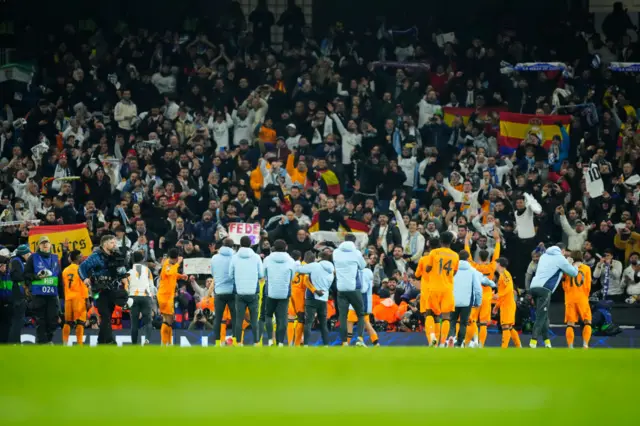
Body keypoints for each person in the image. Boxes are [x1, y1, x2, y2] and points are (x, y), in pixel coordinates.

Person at [528, 243, 578, 349]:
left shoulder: (544, 256)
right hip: (544, 290)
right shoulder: (560, 258)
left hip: (534, 287)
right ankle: (533, 342)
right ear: (562, 251)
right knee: (541, 316)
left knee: (544, 316)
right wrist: (573, 265)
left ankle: (547, 343)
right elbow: (573, 273)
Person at [79, 235, 126, 345]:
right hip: (99, 290)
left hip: (112, 289)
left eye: (115, 242)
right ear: (105, 244)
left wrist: (122, 271)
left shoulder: (116, 256)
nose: (115, 245)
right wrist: (84, 278)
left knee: (107, 316)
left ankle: (101, 341)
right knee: (105, 315)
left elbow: (122, 271)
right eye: (112, 243)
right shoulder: (95, 256)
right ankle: (110, 340)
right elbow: (82, 267)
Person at [420, 232, 459, 347]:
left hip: (434, 288)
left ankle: (432, 335)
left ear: (441, 241)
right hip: (447, 289)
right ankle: (442, 343)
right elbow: (455, 272)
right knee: (446, 317)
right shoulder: (455, 255)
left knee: (430, 314)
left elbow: (428, 268)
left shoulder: (434, 252)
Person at [464, 229, 500, 347]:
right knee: (484, 323)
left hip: (475, 296)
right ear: (488, 258)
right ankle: (481, 344)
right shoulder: (491, 267)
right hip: (487, 296)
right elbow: (496, 256)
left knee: (472, 319)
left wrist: (466, 240)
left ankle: (471, 340)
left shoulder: (474, 266)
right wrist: (497, 240)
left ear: (479, 257)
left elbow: (467, 257)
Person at [25, 236, 62, 344]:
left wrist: (62, 294)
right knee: (40, 320)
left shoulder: (55, 258)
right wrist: (36, 277)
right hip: (38, 295)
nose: (45, 245)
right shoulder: (33, 258)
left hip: (52, 295)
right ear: (39, 246)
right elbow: (26, 274)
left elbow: (59, 278)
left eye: (47, 243)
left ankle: (48, 339)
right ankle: (43, 342)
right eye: (42, 243)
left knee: (53, 320)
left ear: (50, 245)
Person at [333, 233, 367, 346]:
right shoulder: (356, 253)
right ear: (354, 242)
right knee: (361, 314)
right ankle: (360, 339)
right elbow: (363, 266)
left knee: (343, 316)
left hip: (341, 288)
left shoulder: (336, 252)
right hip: (353, 288)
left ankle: (344, 342)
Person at [229, 236, 264, 346]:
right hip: (253, 292)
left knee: (239, 319)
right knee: (254, 320)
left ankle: (238, 343)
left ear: (240, 244)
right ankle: (256, 342)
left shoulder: (234, 258)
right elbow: (261, 275)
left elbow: (230, 275)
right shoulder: (256, 257)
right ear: (250, 244)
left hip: (240, 292)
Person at [451, 251, 490, 347]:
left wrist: (467, 242)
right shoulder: (488, 267)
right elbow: (477, 286)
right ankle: (477, 343)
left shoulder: (456, 268)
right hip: (480, 296)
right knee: (479, 323)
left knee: (456, 321)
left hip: (457, 296)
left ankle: (455, 340)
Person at [296, 250, 334, 346]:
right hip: (324, 298)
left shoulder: (315, 265)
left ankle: (306, 345)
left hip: (311, 297)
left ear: (320, 257)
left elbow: (299, 269)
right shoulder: (332, 268)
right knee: (323, 323)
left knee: (308, 322)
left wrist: (301, 262)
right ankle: (326, 345)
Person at [262, 239, 296, 346]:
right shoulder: (290, 260)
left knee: (268, 315)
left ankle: (271, 340)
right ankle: (280, 342)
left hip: (270, 291)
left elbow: (264, 274)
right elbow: (293, 276)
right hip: (284, 292)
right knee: (282, 318)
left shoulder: (267, 259)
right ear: (285, 247)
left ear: (273, 247)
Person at [561, 251, 592, 349]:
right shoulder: (587, 268)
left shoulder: (567, 269)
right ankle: (585, 344)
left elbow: (563, 283)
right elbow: (588, 285)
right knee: (587, 321)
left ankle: (570, 346)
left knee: (570, 323)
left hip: (570, 298)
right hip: (582, 297)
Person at [157, 248, 187, 346]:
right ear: (175, 258)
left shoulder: (169, 264)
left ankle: (168, 343)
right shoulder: (167, 265)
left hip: (167, 295)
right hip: (165, 296)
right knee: (168, 319)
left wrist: (181, 276)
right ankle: (165, 342)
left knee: (168, 319)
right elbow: (169, 272)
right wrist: (178, 263)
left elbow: (172, 274)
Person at [210, 238, 236, 346]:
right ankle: (235, 342)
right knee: (235, 318)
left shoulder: (215, 258)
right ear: (232, 246)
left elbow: (213, 273)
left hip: (219, 291)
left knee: (218, 318)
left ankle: (217, 343)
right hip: (232, 291)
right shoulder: (235, 257)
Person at [126, 251, 155, 345]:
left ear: (132, 260)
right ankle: (147, 340)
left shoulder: (129, 272)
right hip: (145, 296)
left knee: (134, 323)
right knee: (148, 321)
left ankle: (134, 344)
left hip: (133, 297)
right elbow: (151, 286)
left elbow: (126, 288)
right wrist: (152, 298)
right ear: (142, 259)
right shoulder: (147, 270)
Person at [62, 250, 89, 346]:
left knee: (67, 322)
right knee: (80, 322)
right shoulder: (81, 269)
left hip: (68, 298)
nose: (83, 258)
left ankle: (65, 343)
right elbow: (84, 286)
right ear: (77, 258)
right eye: (81, 256)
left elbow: (64, 286)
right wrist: (87, 300)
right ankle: (80, 344)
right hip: (79, 298)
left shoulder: (65, 270)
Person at [347, 267, 379, 346]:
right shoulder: (366, 273)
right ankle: (376, 344)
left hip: (359, 303)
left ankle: (347, 344)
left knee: (350, 323)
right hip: (363, 304)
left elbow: (362, 289)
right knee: (366, 325)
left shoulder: (363, 273)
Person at [493, 258, 521, 348]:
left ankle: (504, 347)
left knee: (505, 326)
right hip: (505, 304)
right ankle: (518, 345)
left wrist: (498, 294)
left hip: (507, 304)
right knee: (509, 327)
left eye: (496, 263)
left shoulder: (505, 274)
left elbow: (509, 288)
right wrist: (497, 306)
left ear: (499, 264)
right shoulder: (502, 275)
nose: (495, 265)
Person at [7, 245, 31, 344]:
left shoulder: (17, 261)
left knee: (18, 320)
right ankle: (14, 343)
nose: (30, 255)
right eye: (29, 253)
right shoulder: (16, 261)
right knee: (18, 320)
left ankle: (15, 342)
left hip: (18, 294)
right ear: (24, 254)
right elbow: (16, 276)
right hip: (18, 295)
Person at [287, 250, 307, 346]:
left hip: (290, 292)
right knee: (301, 319)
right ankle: (298, 342)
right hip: (300, 294)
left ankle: (290, 341)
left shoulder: (288, 266)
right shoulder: (303, 267)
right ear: (300, 257)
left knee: (290, 318)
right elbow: (305, 283)